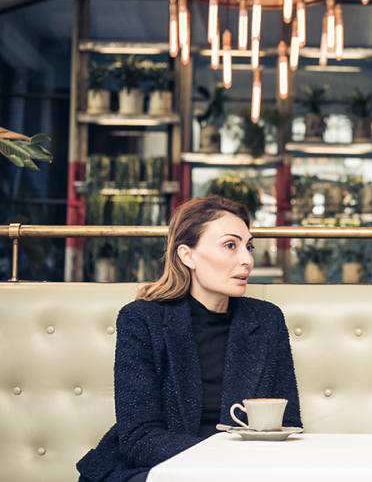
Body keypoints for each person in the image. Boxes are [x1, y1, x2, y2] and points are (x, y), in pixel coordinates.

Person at [77, 195, 302, 482]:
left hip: (243, 473)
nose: (247, 260)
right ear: (187, 255)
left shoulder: (267, 320)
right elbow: (139, 438)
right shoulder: (142, 319)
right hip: (156, 470)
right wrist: (225, 460)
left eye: (249, 246)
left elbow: (288, 424)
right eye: (230, 245)